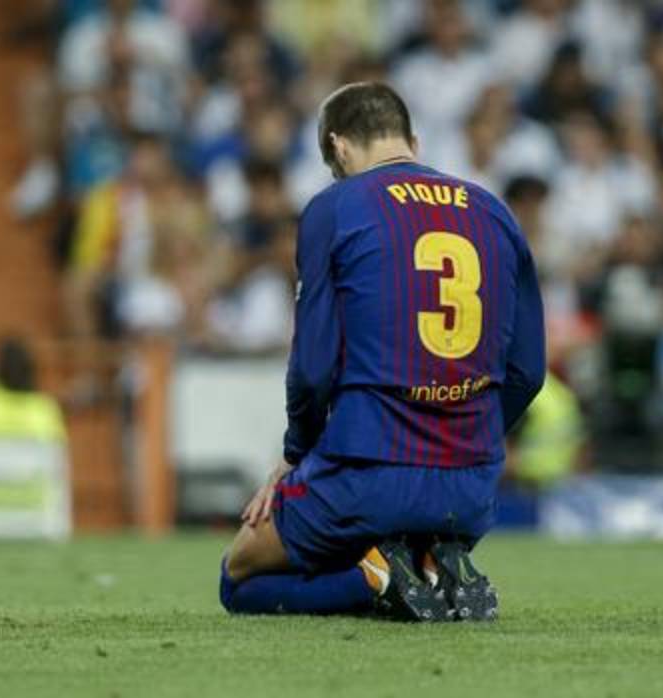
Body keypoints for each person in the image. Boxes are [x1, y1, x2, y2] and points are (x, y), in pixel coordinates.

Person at [219, 83, 545, 622]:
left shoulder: (335, 207)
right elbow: (528, 372)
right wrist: (467, 432)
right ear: (412, 140)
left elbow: (312, 369)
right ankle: (429, 562)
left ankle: (377, 578)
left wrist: (294, 459)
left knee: (239, 577)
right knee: (395, 537)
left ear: (339, 147)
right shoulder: (494, 212)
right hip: (468, 488)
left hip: (367, 472)